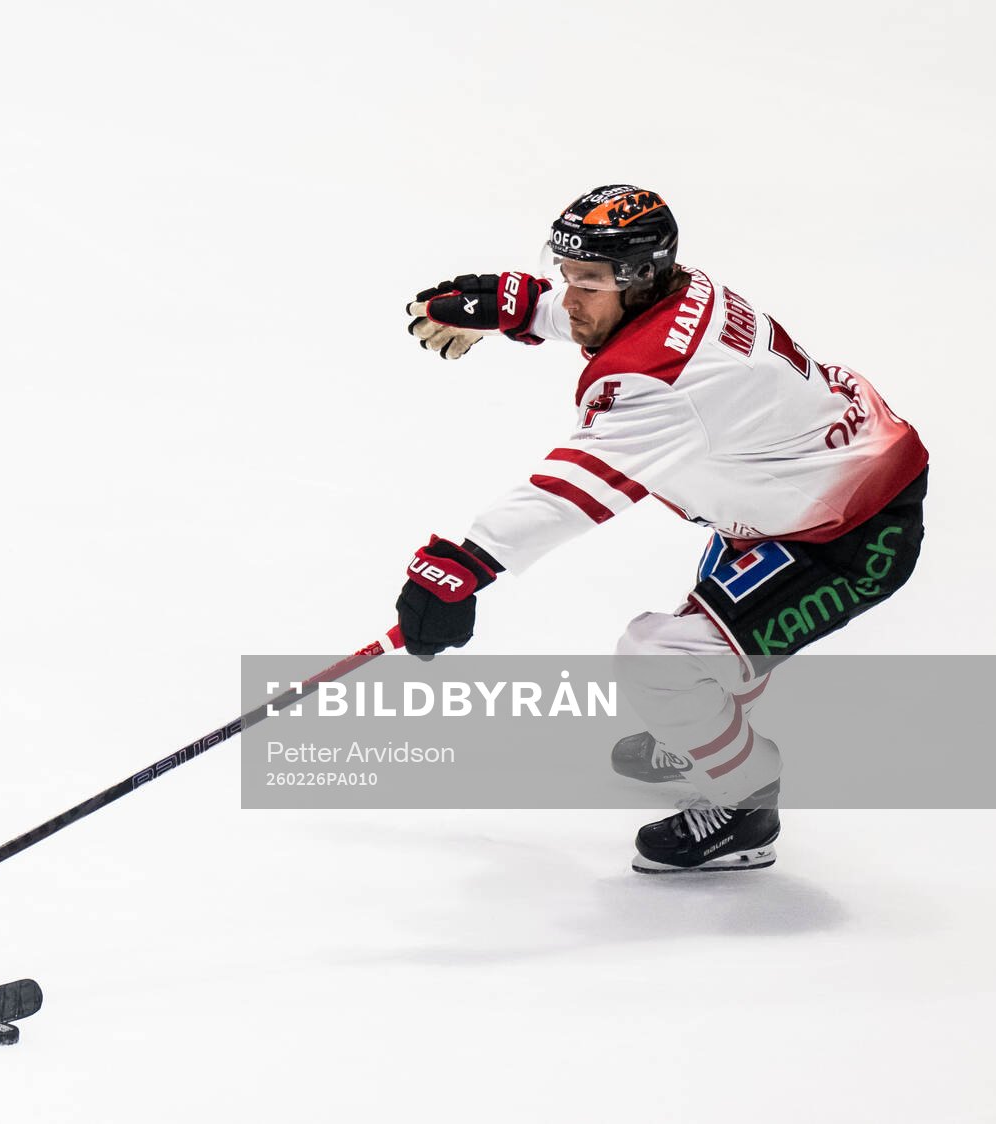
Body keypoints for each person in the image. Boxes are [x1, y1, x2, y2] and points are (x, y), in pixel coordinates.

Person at [397, 185, 928, 873]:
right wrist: (526, 308)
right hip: (795, 497)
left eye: (585, 282)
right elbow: (612, 318)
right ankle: (701, 731)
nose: (571, 294)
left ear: (641, 276)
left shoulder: (663, 382)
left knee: (662, 661)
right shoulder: (681, 290)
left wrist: (466, 564)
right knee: (708, 660)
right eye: (565, 277)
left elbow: (576, 488)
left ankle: (745, 805)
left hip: (849, 536)